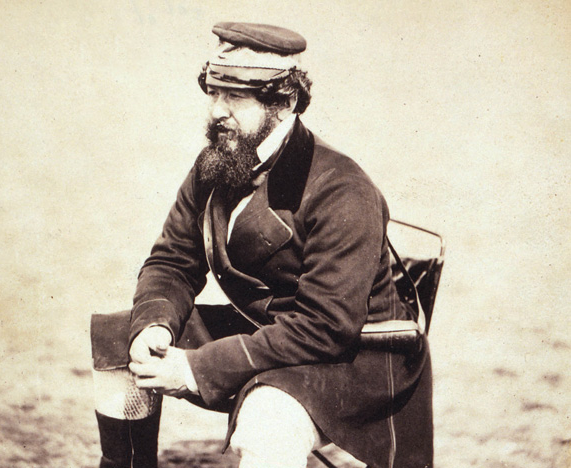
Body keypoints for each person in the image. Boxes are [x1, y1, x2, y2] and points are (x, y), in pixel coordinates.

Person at [91, 22, 433, 468]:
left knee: (266, 420)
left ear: (285, 102)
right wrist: (155, 325)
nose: (217, 111)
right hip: (274, 331)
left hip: (357, 354)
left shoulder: (343, 188)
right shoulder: (218, 162)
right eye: (214, 92)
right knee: (122, 337)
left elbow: (326, 326)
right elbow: (173, 259)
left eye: (236, 96)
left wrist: (196, 368)